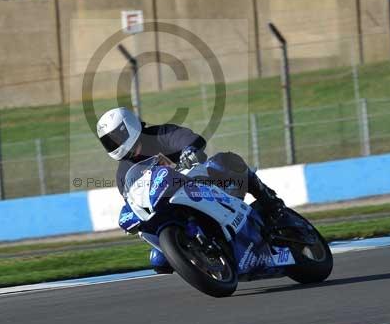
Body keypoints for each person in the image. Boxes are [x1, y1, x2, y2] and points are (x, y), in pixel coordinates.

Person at [96, 106, 286, 274]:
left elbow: (191, 140)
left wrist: (189, 150)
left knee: (225, 161)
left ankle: (268, 198)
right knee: (160, 261)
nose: (114, 145)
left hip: (198, 183)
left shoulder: (160, 134)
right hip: (167, 210)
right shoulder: (123, 173)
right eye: (109, 142)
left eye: (115, 138)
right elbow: (133, 201)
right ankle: (204, 259)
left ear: (128, 126)